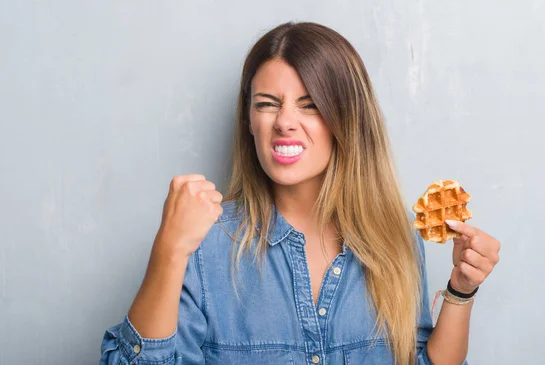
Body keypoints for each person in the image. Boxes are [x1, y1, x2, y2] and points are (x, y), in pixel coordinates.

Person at [100, 21, 500, 365]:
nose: (285, 122)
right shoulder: (205, 246)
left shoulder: (395, 238)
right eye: (268, 104)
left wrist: (461, 291)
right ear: (250, 122)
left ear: (346, 119)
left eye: (310, 105)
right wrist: (169, 250)